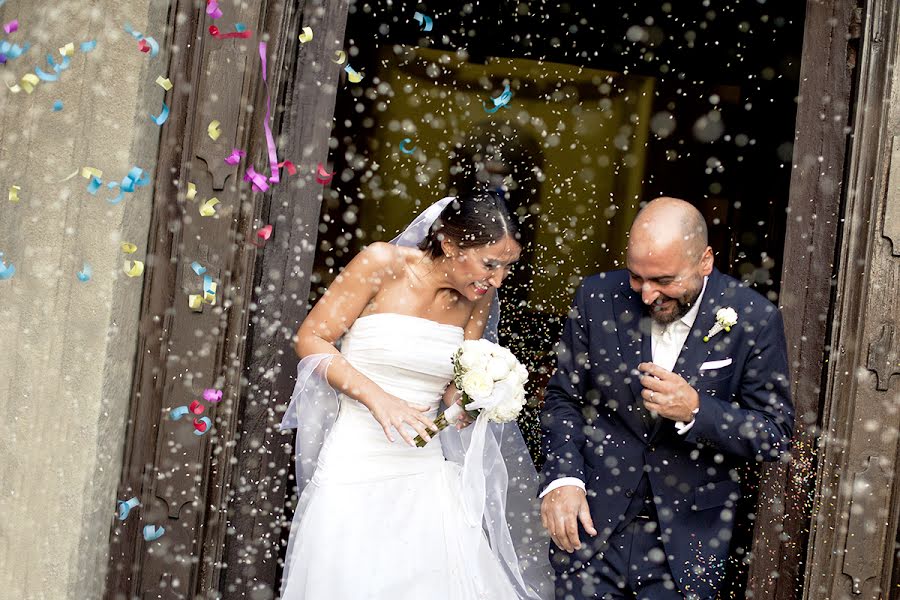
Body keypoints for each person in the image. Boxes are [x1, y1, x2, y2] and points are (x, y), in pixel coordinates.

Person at [279, 192, 552, 599]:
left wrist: (476, 399)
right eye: (489, 263)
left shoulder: (478, 298)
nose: (497, 279)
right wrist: (378, 398)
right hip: (356, 460)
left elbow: (454, 386)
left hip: (425, 468)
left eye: (507, 267)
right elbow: (311, 337)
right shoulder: (381, 263)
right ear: (449, 244)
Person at [539, 197, 795, 599]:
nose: (646, 294)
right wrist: (562, 478)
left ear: (705, 262)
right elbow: (563, 399)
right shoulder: (596, 295)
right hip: (592, 531)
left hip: (686, 545)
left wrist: (697, 410)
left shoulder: (753, 318)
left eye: (663, 280)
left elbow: (774, 435)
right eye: (637, 277)